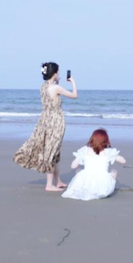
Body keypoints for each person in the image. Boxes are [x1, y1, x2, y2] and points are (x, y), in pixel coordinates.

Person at [13, 62, 78, 191]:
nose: (58, 73)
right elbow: (74, 95)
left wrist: (56, 83)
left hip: (45, 120)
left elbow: (50, 97)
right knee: (51, 151)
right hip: (55, 122)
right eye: (58, 72)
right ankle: (49, 185)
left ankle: (58, 181)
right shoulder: (56, 88)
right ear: (55, 73)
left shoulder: (43, 87)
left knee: (55, 151)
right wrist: (73, 81)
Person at [62, 128, 126, 201]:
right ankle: (109, 188)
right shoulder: (108, 152)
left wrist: (79, 157)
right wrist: (114, 155)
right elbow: (123, 161)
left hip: (87, 180)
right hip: (103, 188)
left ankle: (82, 187)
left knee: (78, 170)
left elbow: (73, 166)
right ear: (106, 140)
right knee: (114, 171)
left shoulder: (85, 150)